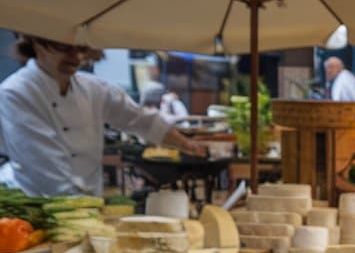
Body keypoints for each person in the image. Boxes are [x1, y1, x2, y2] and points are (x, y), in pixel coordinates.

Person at [0, 35, 207, 196]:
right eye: (63, 47)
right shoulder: (16, 93)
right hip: (38, 211)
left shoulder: (93, 88)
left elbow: (140, 119)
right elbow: (43, 167)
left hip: (87, 204)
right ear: (35, 41)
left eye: (81, 48)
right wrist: (82, 214)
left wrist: (186, 144)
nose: (76, 56)